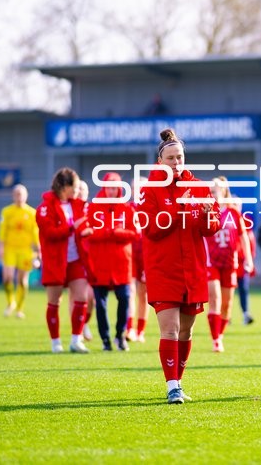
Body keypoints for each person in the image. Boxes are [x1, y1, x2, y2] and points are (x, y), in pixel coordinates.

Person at [138, 128, 220, 404]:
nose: (176, 162)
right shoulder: (149, 190)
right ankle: (172, 386)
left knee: (186, 331)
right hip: (163, 269)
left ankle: (178, 382)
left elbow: (211, 228)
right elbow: (151, 228)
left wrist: (208, 217)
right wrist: (179, 208)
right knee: (170, 329)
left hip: (192, 269)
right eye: (171, 158)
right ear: (160, 161)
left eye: (180, 157)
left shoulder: (199, 187)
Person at [36, 168, 93, 353]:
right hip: (55, 261)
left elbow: (84, 224)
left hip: (76, 259)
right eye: (74, 187)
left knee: (82, 298)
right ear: (64, 187)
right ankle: (55, 342)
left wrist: (85, 231)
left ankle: (76, 340)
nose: (77, 190)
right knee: (55, 302)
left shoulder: (78, 205)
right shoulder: (45, 208)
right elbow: (49, 233)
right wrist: (71, 227)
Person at [87, 172, 136, 351]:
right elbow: (88, 233)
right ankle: (105, 339)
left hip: (121, 263)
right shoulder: (93, 208)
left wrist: (117, 233)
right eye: (109, 187)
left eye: (115, 188)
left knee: (125, 298)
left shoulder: (127, 209)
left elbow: (135, 233)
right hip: (99, 263)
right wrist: (107, 232)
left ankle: (120, 335)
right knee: (100, 304)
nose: (111, 191)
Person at [205, 178, 254, 352]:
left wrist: (248, 259)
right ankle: (215, 340)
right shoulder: (206, 211)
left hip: (230, 263)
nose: (213, 194)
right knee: (215, 299)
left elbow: (243, 236)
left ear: (224, 191)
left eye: (215, 191)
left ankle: (220, 334)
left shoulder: (233, 213)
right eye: (211, 191)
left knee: (227, 305)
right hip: (211, 262)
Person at [0, 184, 41, 318]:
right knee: (7, 278)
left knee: (22, 280)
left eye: (21, 194)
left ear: (26, 196)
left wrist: (39, 250)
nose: (19, 197)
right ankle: (10, 302)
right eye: (16, 194)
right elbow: (2, 230)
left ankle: (20, 309)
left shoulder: (32, 213)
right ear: (13, 196)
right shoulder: (6, 212)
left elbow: (35, 233)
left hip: (26, 250)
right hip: (10, 249)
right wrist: (1, 247)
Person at [126, 177, 149, 343]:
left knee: (144, 294)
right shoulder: (127, 208)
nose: (138, 190)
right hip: (130, 254)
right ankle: (129, 329)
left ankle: (141, 331)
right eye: (135, 187)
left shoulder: (151, 208)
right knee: (130, 292)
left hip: (147, 255)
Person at [235, 200, 257, 325]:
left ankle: (245, 313)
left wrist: (250, 259)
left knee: (244, 289)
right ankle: (225, 316)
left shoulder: (245, 220)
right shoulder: (226, 218)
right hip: (229, 261)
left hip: (242, 262)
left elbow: (250, 240)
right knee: (226, 290)